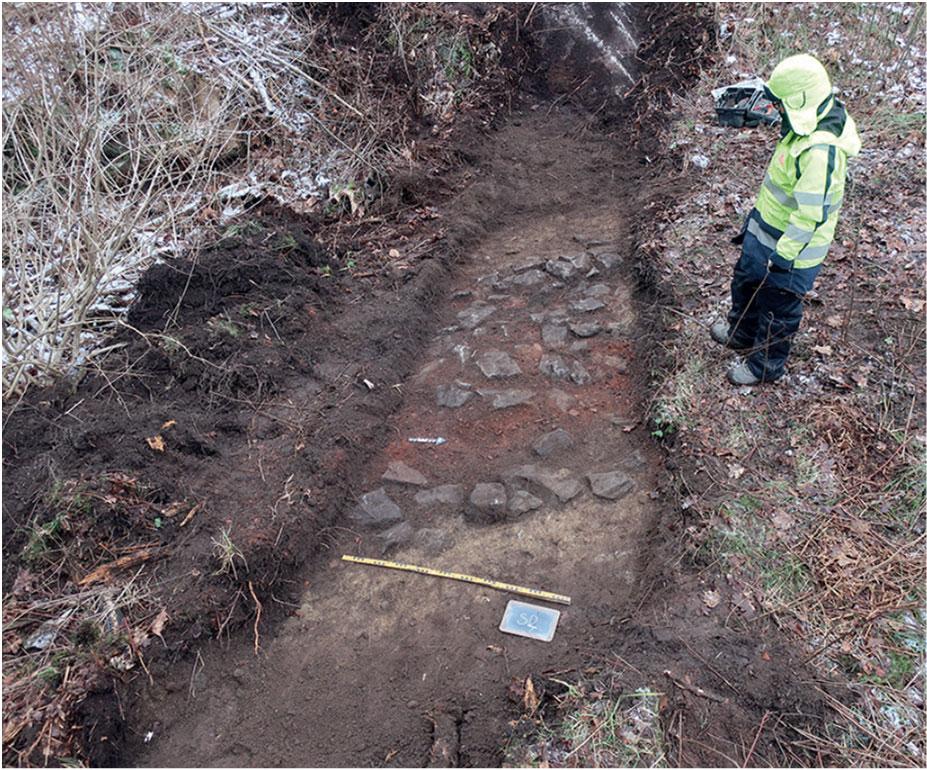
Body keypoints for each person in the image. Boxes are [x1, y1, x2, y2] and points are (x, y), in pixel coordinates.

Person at [710, 54, 861, 385]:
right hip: (765, 232)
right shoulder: (802, 125)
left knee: (777, 308)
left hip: (790, 252)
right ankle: (741, 332)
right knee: (746, 282)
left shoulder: (822, 152)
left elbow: (811, 215)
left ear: (799, 100)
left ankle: (764, 366)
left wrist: (784, 257)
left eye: (780, 104)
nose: (776, 110)